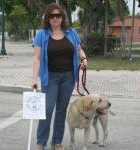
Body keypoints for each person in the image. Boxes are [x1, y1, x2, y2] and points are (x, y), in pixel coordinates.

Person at [31, 3, 87, 150]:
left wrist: (84, 58)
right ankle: (41, 142)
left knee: (61, 110)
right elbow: (36, 58)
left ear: (63, 17)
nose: (55, 18)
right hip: (50, 77)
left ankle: (56, 142)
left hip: (68, 77)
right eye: (52, 16)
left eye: (58, 15)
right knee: (47, 109)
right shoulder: (42, 34)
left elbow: (79, 49)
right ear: (48, 18)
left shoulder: (71, 32)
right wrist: (34, 78)